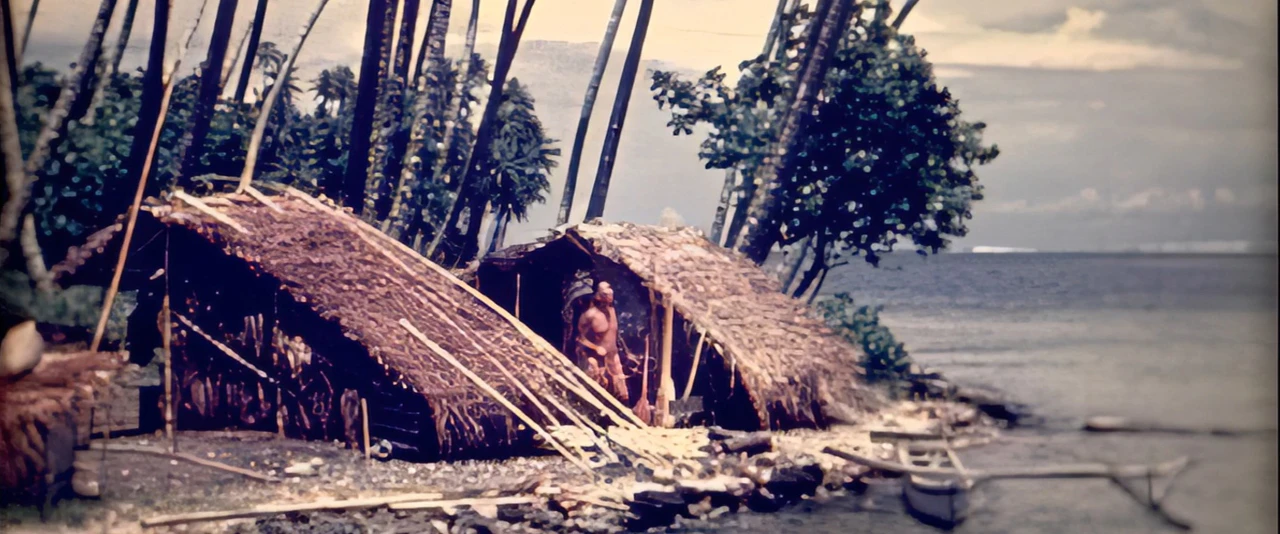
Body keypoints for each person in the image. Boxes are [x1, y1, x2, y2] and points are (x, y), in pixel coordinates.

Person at [576, 281, 629, 402]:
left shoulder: (613, 312)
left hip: (613, 357)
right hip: (598, 360)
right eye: (605, 294)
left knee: (621, 393)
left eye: (610, 294)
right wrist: (595, 348)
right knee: (598, 392)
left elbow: (614, 334)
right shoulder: (590, 315)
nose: (608, 297)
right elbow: (580, 339)